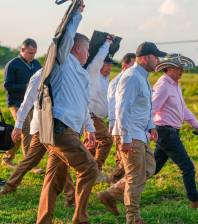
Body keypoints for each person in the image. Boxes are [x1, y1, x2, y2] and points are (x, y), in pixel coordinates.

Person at [36, 2, 99, 224]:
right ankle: (80, 219)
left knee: (53, 181)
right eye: (87, 49)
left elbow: (83, 105)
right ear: (76, 48)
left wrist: (89, 129)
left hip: (68, 131)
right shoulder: (62, 63)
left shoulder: (79, 73)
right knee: (90, 169)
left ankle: (43, 221)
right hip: (60, 129)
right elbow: (62, 38)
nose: (88, 53)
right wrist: (76, 13)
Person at [97, 42, 166, 224]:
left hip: (141, 133)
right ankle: (133, 218)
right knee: (135, 176)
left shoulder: (142, 77)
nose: (158, 60)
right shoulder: (132, 77)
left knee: (149, 167)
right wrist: (125, 138)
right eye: (155, 56)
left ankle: (110, 194)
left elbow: (144, 107)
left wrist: (151, 126)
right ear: (143, 58)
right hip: (130, 133)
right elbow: (122, 110)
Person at [0, 69, 75, 207]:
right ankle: (71, 197)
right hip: (42, 127)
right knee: (56, 160)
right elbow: (27, 101)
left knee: (42, 160)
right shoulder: (40, 75)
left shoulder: (62, 72)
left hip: (53, 126)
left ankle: (9, 187)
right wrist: (18, 125)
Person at [152, 54, 198, 209]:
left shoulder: (175, 84)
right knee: (187, 167)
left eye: (182, 69)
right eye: (179, 68)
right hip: (165, 132)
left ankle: (116, 190)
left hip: (171, 132)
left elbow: (183, 108)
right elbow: (150, 109)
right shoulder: (163, 86)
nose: (182, 71)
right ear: (169, 69)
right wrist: (147, 130)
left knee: (152, 168)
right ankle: (195, 202)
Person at [3, 38, 42, 170]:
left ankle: (7, 158)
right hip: (16, 103)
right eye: (30, 53)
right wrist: (27, 87)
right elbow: (7, 85)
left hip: (32, 103)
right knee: (26, 129)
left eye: (34, 53)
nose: (33, 56)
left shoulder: (37, 64)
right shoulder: (12, 64)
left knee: (19, 133)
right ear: (22, 50)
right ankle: (29, 165)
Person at [84, 35, 115, 175]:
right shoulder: (93, 73)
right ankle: (95, 171)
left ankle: (85, 170)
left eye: (111, 65)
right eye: (107, 64)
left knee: (91, 145)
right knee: (106, 140)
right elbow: (97, 59)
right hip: (90, 115)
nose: (109, 67)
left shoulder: (104, 79)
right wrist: (107, 42)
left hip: (98, 117)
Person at [107, 52, 136, 184]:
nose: (135, 67)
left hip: (132, 126)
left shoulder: (134, 79)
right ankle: (114, 185)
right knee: (123, 159)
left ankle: (118, 185)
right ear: (125, 65)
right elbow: (113, 104)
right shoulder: (116, 82)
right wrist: (113, 122)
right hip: (120, 126)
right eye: (132, 64)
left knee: (125, 159)